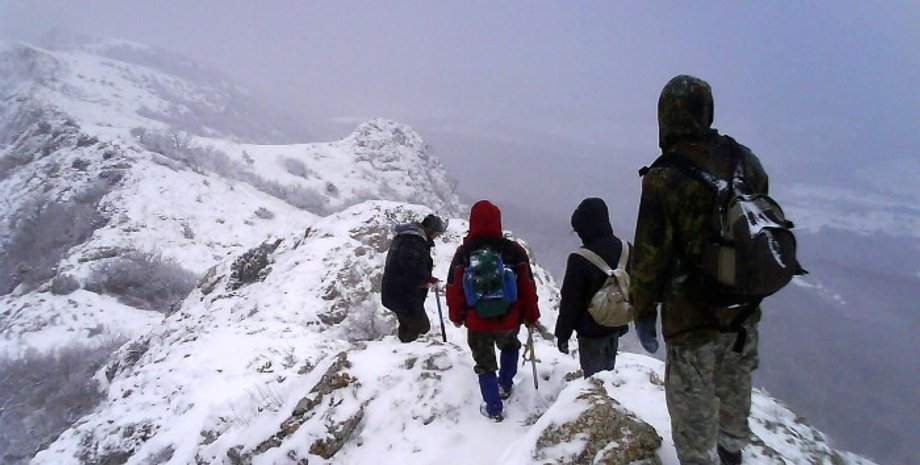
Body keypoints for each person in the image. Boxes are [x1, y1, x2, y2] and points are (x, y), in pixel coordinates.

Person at [631, 75, 768, 465]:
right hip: (741, 309)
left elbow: (649, 257)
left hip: (689, 317)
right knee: (734, 387)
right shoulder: (745, 161)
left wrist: (643, 311)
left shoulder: (664, 177)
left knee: (692, 404)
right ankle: (732, 452)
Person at [446, 200, 540, 422]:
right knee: (510, 346)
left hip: (477, 321)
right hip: (509, 319)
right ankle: (505, 385)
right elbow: (527, 285)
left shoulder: (464, 253)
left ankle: (494, 408)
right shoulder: (514, 251)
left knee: (484, 363)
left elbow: (454, 288)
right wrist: (531, 315)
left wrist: (456, 316)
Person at [554, 198, 630, 378]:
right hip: (616, 324)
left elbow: (571, 301)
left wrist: (563, 334)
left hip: (590, 332)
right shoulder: (626, 249)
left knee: (594, 380)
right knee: (608, 377)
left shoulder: (579, 258)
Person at [381, 213, 447, 343]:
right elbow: (411, 267)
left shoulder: (406, 238)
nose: (436, 237)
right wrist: (425, 279)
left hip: (397, 293)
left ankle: (404, 348)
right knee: (420, 327)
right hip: (404, 295)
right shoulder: (414, 241)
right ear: (430, 230)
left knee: (409, 327)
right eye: (436, 233)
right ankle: (409, 350)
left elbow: (409, 266)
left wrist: (427, 278)